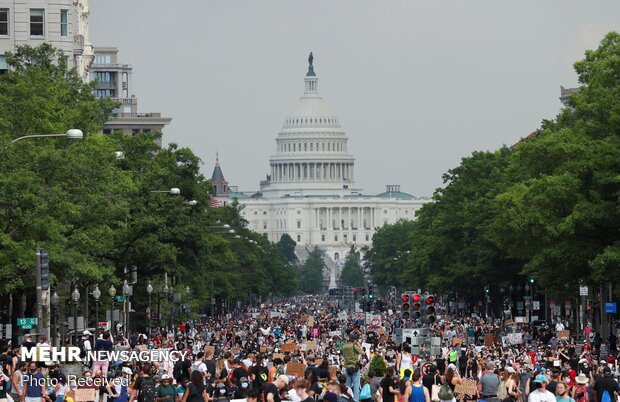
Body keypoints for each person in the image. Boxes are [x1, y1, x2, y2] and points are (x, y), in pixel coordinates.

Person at [342, 332, 363, 402]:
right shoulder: (354, 345)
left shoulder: (344, 346)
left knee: (347, 386)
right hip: (354, 367)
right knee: (356, 386)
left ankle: (347, 400)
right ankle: (356, 400)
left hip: (347, 367)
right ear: (354, 340)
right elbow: (362, 352)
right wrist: (358, 344)